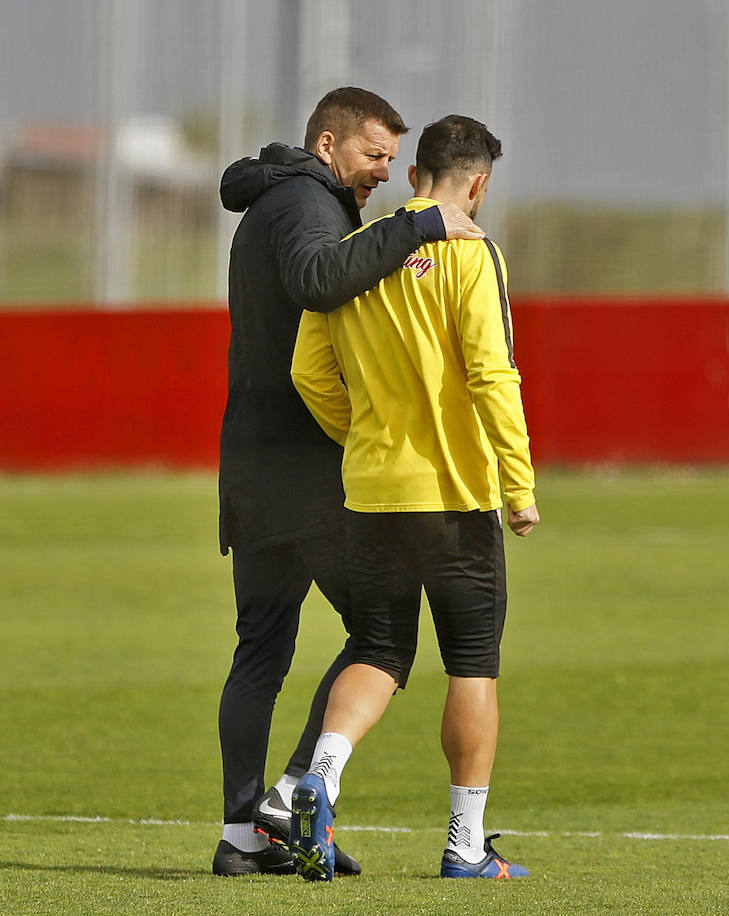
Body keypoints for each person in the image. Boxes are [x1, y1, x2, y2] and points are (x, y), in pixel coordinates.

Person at [212, 87, 485, 878]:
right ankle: (292, 792)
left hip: (255, 467)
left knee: (260, 646)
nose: (384, 174)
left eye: (394, 162)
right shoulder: (306, 200)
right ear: (328, 145)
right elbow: (317, 279)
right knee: (381, 636)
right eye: (373, 155)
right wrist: (420, 224)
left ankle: (243, 839)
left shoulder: (282, 195)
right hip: (310, 470)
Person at [288, 114, 537, 882]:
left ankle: (319, 775)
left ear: (410, 172)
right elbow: (492, 373)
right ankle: (466, 845)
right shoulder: (472, 252)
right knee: (472, 665)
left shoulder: (357, 249)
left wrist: (360, 434)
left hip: (371, 491)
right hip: (456, 493)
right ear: (480, 183)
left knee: (379, 651)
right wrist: (518, 485)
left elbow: (308, 370)